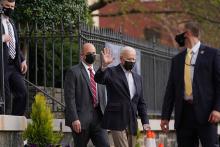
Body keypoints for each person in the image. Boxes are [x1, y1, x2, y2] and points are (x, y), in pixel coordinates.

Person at [160, 21, 220, 147]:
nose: (178, 36)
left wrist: (217, 109)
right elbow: (171, 89)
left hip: (207, 114)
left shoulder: (212, 54)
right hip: (184, 115)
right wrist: (165, 116)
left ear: (187, 33)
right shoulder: (177, 60)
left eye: (179, 32)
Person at [94, 46, 150, 147]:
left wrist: (145, 121)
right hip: (117, 120)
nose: (132, 62)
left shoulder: (138, 78)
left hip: (132, 121)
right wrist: (104, 66)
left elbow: (141, 102)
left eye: (134, 59)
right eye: (129, 59)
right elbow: (98, 79)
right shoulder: (111, 72)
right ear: (121, 59)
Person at [64, 43, 110, 147]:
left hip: (99, 118)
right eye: (89, 53)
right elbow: (69, 98)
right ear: (82, 55)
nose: (92, 55)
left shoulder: (99, 72)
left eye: (94, 53)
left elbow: (104, 95)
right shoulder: (73, 72)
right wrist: (74, 118)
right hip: (81, 120)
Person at [0, 0, 27, 115]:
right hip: (2, 65)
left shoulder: (11, 22)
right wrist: (1, 38)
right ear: (0, 5)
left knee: (22, 92)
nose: (10, 8)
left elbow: (15, 44)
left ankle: (16, 120)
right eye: (7, 6)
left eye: (12, 6)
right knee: (4, 96)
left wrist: (22, 60)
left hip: (14, 66)